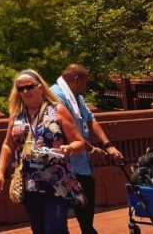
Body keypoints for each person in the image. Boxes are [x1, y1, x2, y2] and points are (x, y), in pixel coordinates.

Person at [0, 70, 87, 234]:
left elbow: (79, 142)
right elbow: (8, 145)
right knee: (39, 229)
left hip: (56, 181)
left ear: (40, 88)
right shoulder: (16, 116)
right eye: (21, 89)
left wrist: (69, 148)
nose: (26, 92)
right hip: (30, 182)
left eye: (29, 87)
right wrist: (0, 171)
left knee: (55, 228)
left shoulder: (57, 110)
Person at [50, 64, 123, 234]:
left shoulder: (77, 96)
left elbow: (91, 120)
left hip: (81, 164)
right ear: (77, 79)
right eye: (85, 82)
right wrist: (92, 149)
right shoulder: (56, 96)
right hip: (63, 166)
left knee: (86, 209)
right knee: (60, 215)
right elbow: (70, 133)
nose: (86, 86)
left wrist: (107, 144)